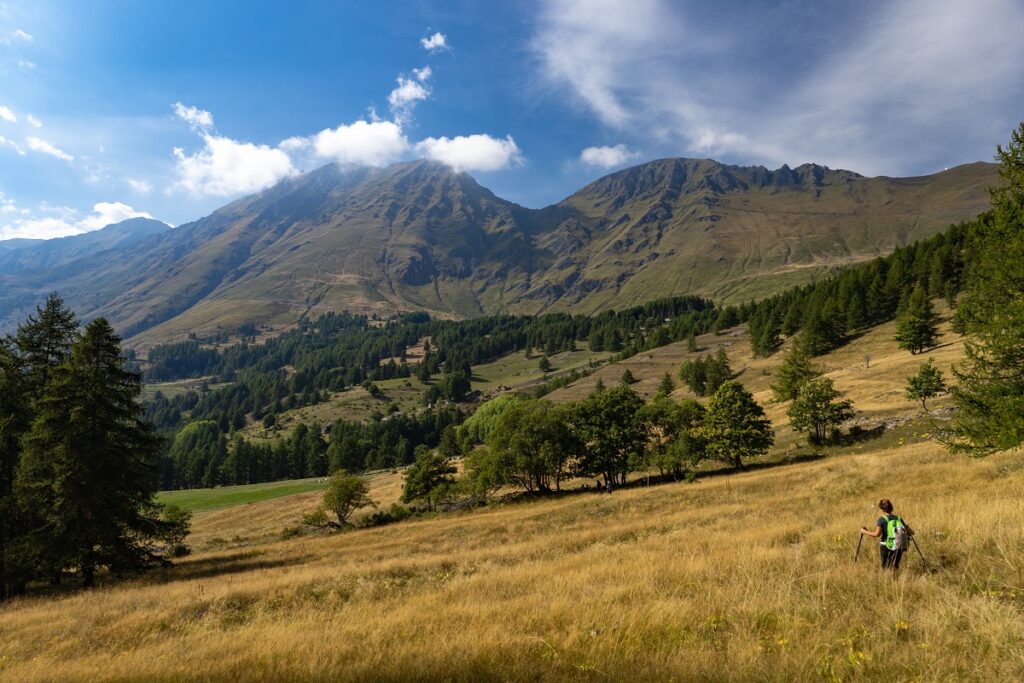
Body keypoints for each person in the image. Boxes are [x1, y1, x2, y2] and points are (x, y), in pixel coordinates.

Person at [859, 499, 911, 570]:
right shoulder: (899, 518)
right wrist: (907, 528)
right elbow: (910, 533)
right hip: (899, 545)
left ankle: (888, 580)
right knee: (895, 565)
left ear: (882, 508)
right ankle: (896, 579)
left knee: (886, 567)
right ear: (891, 507)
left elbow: (876, 534)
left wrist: (864, 531)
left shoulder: (882, 519)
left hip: (886, 545)